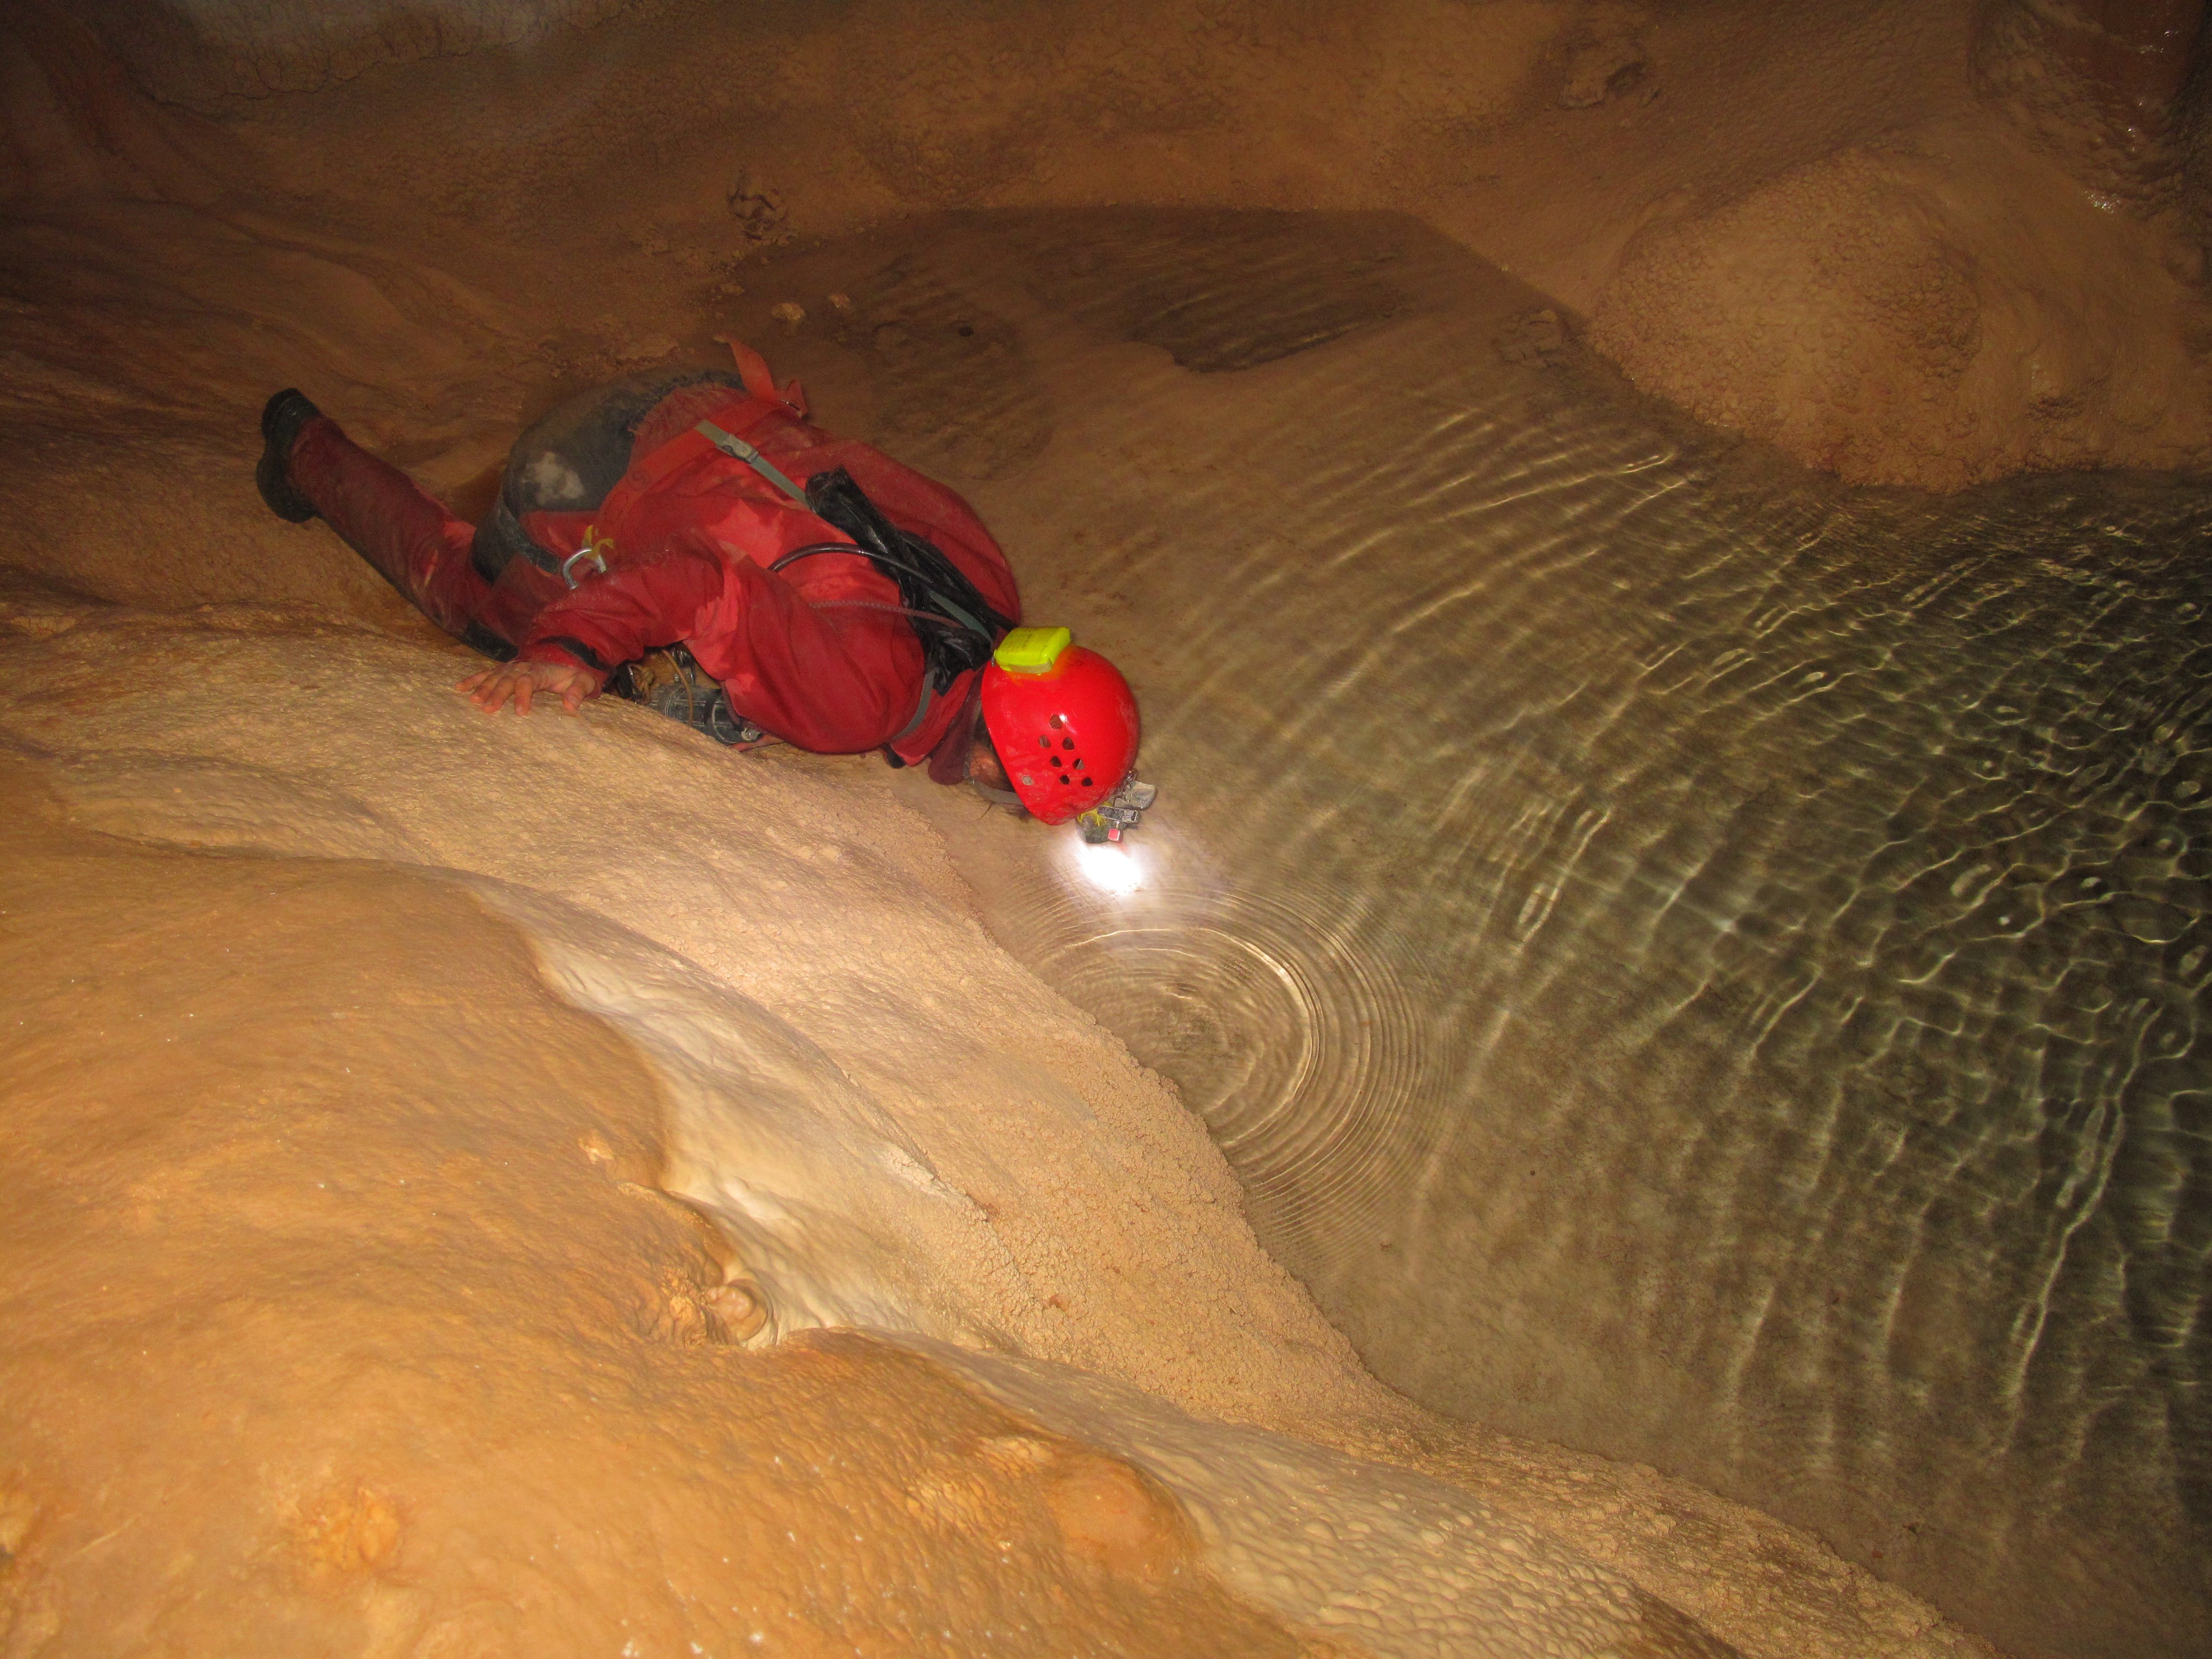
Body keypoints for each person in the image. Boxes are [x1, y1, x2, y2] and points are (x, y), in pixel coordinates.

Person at [254, 345, 1152, 838]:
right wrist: (571, 649)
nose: (987, 790)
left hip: (697, 401)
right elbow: (702, 586)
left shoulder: (981, 578)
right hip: (586, 473)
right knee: (473, 604)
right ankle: (305, 453)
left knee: (742, 675)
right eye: (1001, 788)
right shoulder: (862, 701)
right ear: (990, 762)